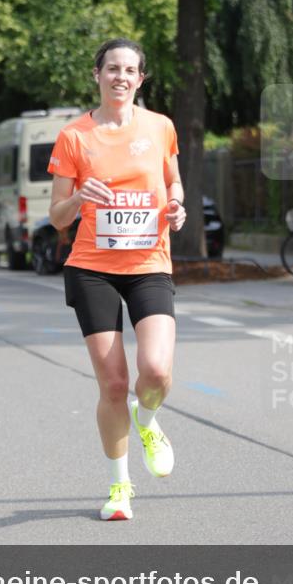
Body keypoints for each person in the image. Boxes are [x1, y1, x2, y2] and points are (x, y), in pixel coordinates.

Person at [48, 38, 186, 520]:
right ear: (97, 74)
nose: (120, 77)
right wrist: (81, 197)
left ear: (140, 79)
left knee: (157, 372)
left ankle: (146, 420)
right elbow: (57, 218)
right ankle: (120, 488)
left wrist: (177, 205)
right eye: (112, 68)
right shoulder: (74, 137)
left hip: (149, 263)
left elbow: (172, 180)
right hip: (92, 270)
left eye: (130, 70)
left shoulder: (160, 127)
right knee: (113, 385)